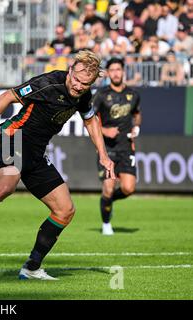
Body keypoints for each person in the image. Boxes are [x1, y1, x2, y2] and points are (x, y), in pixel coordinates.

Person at [0, 50, 115, 280]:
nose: (79, 87)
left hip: (36, 153)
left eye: (85, 84)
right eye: (77, 80)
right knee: (5, 186)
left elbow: (90, 119)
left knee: (65, 210)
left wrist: (103, 154)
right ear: (70, 70)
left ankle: (32, 268)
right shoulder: (47, 84)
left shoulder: (83, 94)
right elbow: (7, 97)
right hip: (13, 137)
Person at [90, 57, 142, 236]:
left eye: (118, 69)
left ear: (123, 71)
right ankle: (106, 225)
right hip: (108, 150)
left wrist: (136, 127)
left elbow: (137, 115)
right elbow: (89, 120)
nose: (116, 73)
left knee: (129, 188)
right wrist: (104, 130)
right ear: (108, 73)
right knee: (108, 187)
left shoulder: (133, 94)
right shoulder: (101, 95)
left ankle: (107, 202)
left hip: (126, 148)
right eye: (112, 70)